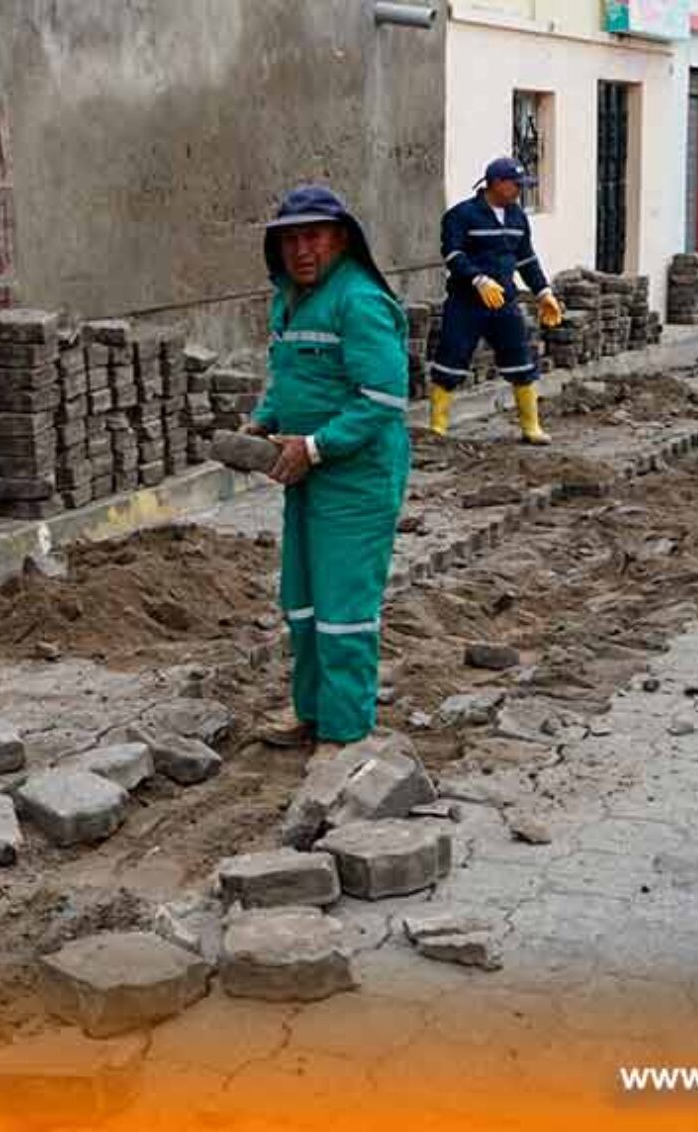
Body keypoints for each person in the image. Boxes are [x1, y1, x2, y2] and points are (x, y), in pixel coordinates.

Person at [242, 186, 411, 750]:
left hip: (355, 480)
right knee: (303, 602)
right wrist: (264, 421)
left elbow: (384, 398)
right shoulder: (291, 298)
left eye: (312, 236)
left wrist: (314, 446)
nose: (301, 250)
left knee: (344, 612)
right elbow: (294, 374)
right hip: (307, 474)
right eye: (290, 239)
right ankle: (310, 713)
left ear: (341, 239)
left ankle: (345, 734)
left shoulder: (358, 302)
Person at [427, 157, 565, 444]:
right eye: (516, 185)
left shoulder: (517, 217)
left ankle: (531, 426)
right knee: (451, 358)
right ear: (498, 183)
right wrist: (476, 279)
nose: (520, 191)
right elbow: (452, 254)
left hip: (503, 301)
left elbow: (526, 258)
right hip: (466, 302)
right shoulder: (462, 215)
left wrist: (544, 292)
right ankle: (438, 426)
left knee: (520, 358)